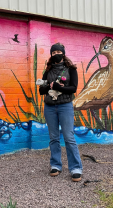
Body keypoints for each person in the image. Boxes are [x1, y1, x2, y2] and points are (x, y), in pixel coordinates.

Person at [39, 43, 83, 182]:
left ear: (63, 53)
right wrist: (48, 87)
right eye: (53, 52)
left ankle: (76, 168)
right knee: (53, 138)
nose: (56, 54)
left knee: (69, 137)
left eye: (58, 51)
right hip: (50, 107)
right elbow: (41, 90)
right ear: (51, 55)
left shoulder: (71, 69)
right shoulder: (48, 70)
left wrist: (59, 87)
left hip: (65, 106)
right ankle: (56, 165)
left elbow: (73, 88)